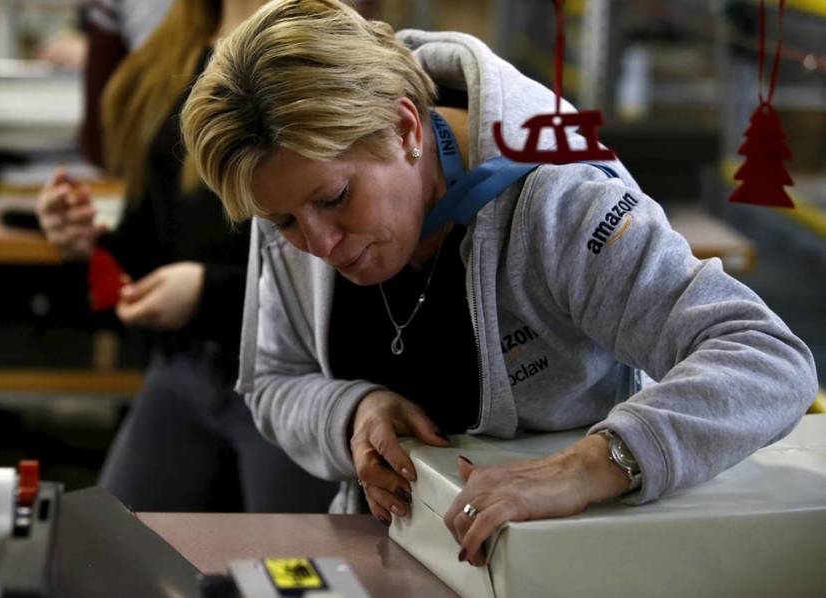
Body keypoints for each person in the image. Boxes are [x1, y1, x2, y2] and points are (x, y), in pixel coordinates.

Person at [179, 0, 818, 565]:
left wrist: (597, 463)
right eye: (284, 222)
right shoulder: (290, 181)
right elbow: (271, 380)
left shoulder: (558, 199)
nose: (317, 245)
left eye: (337, 198)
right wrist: (351, 410)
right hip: (409, 548)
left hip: (576, 559)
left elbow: (767, 359)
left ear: (404, 129)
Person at [35, 0, 338, 512]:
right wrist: (87, 246)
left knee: (293, 575)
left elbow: (339, 249)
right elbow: (156, 235)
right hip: (186, 367)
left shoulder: (312, 48)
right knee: (116, 558)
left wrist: (207, 290)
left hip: (292, 377)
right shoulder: (174, 52)